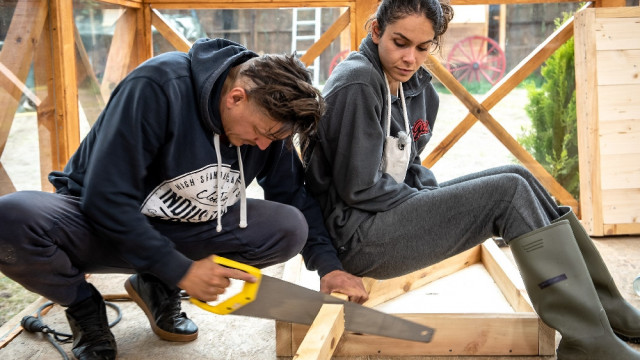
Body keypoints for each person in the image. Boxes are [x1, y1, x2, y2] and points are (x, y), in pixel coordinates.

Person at [302, 0, 640, 359]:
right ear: (375, 31)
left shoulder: (412, 85)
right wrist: (434, 209)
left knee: (517, 174)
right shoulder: (357, 83)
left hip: (386, 214)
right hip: (358, 237)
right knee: (507, 194)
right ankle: (589, 341)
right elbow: (360, 187)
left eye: (422, 47)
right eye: (400, 43)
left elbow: (409, 166)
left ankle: (609, 310)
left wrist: (440, 204)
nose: (410, 58)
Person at [0, 38, 347, 360]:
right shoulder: (159, 85)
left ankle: (155, 284)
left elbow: (292, 194)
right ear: (236, 97)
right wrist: (180, 269)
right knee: (11, 217)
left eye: (273, 138)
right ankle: (83, 306)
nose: (262, 146)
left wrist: (328, 265)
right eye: (260, 133)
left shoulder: (269, 124)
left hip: (183, 231)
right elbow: (105, 198)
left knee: (288, 228)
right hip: (97, 224)